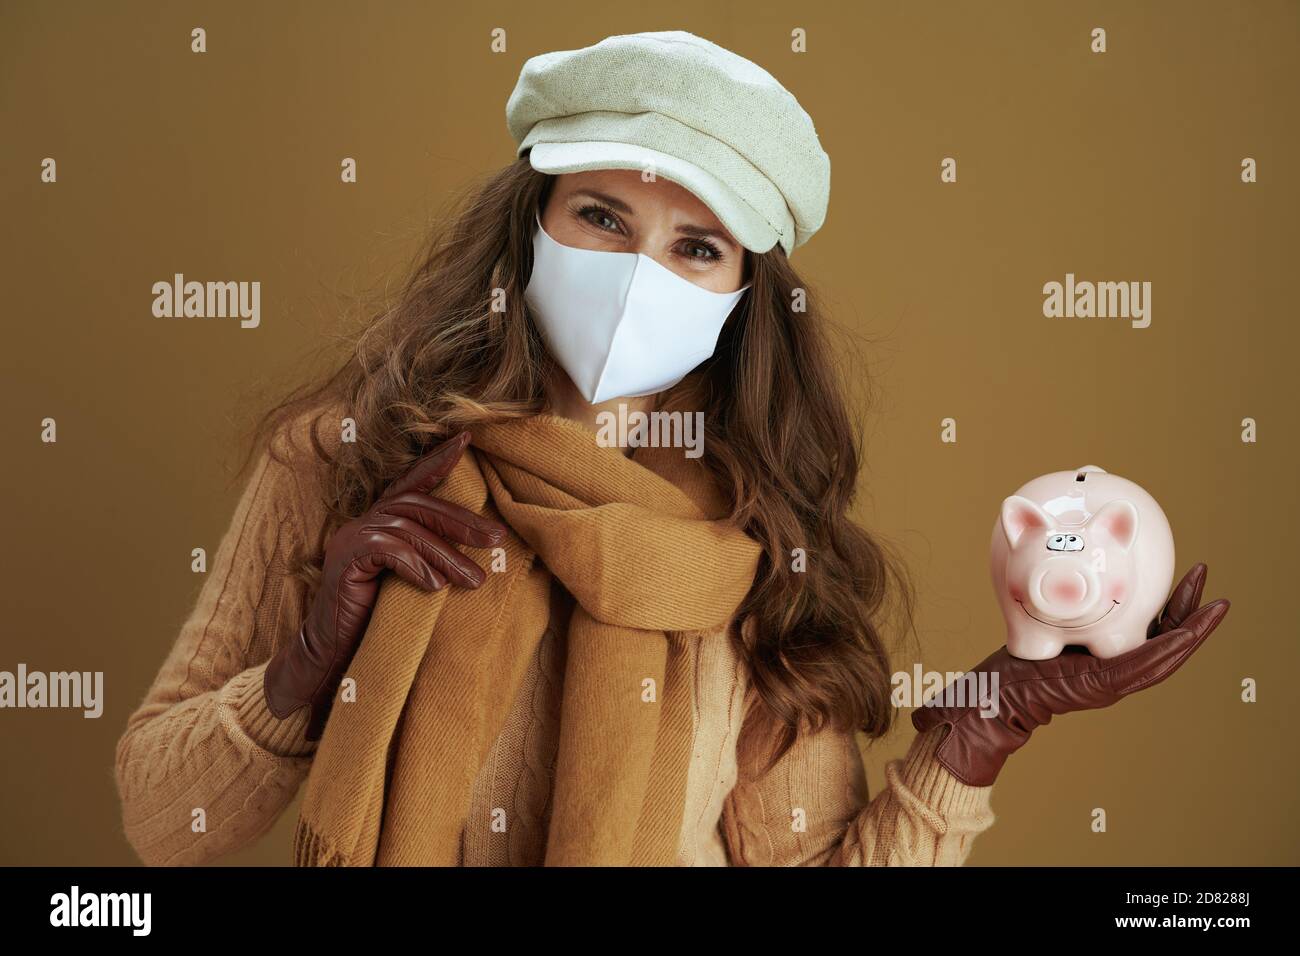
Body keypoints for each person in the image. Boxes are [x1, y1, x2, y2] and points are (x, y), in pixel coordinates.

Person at [114, 31, 1228, 867]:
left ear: (743, 297)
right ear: (530, 223)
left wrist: (986, 726)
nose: (639, 272)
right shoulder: (345, 463)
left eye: (695, 246)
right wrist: (312, 658)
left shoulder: (754, 539)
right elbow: (163, 821)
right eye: (600, 216)